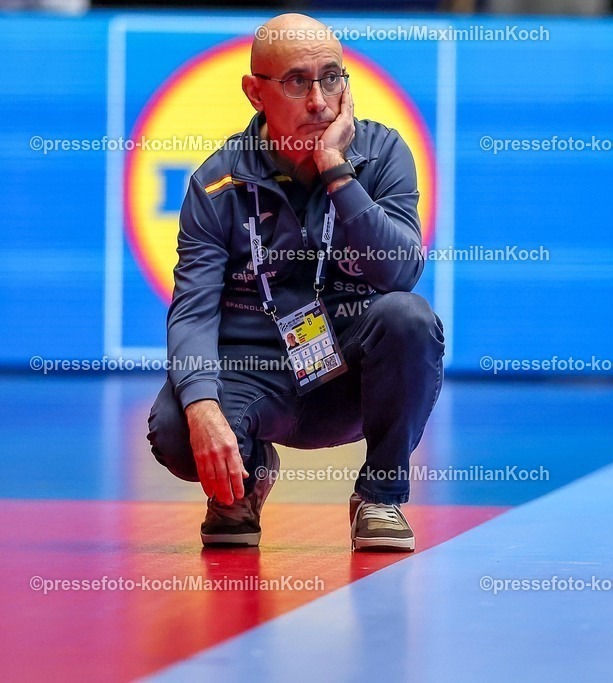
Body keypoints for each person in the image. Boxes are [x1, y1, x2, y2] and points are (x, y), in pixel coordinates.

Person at [147, 13, 445, 552]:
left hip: (348, 381)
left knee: (409, 319)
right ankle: (249, 472)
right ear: (255, 93)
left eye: (332, 78)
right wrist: (201, 408)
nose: (318, 101)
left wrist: (337, 171)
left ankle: (380, 496)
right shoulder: (216, 184)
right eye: (296, 82)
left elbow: (400, 272)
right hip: (257, 376)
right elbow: (192, 311)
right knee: (175, 426)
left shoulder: (381, 156)